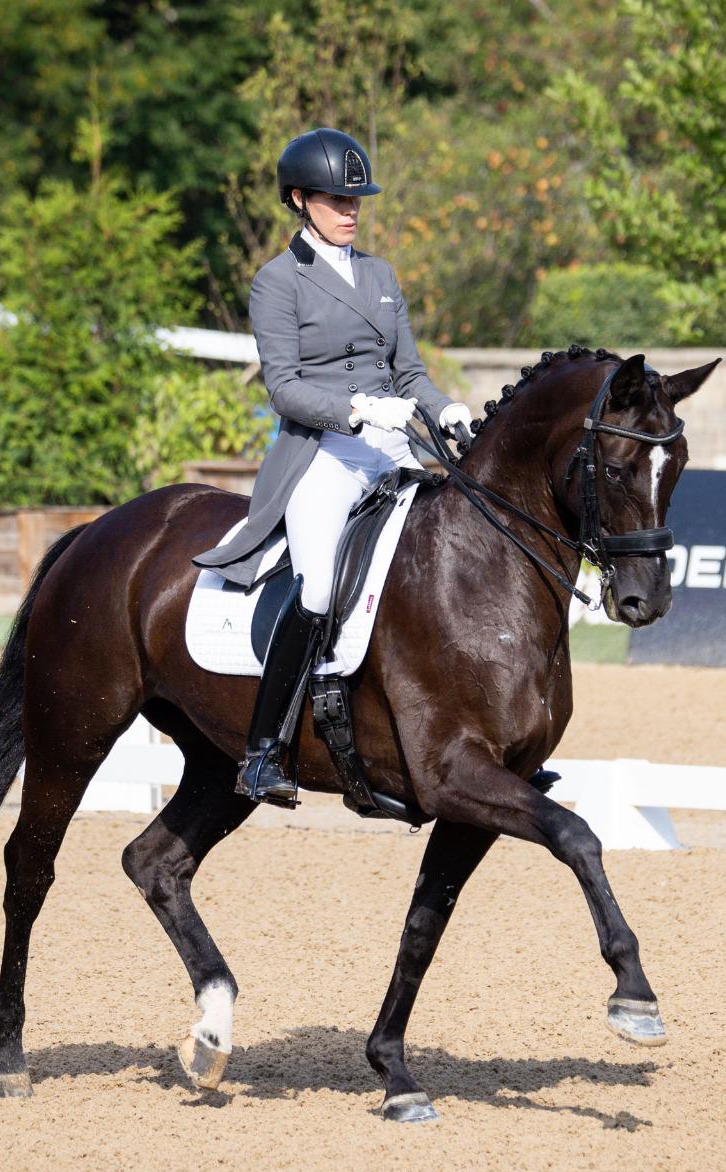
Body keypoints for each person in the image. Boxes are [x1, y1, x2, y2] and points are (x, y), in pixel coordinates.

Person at [193, 127, 475, 806]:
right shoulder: (277, 281)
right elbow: (284, 386)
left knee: (456, 549)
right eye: (334, 199)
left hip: (393, 446)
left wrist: (448, 411)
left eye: (356, 200)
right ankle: (263, 751)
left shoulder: (379, 274)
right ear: (299, 199)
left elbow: (409, 372)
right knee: (317, 585)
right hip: (322, 451)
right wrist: (355, 411)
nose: (350, 210)